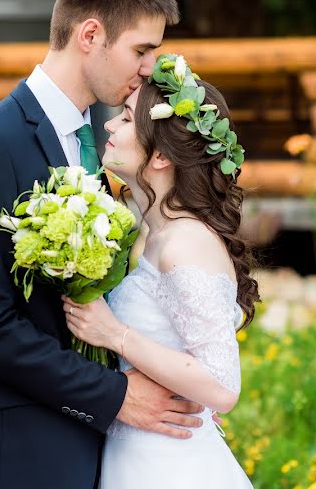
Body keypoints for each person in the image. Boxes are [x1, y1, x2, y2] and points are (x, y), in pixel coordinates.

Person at [0, 0, 205, 489]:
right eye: (141, 50)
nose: (148, 69)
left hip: (105, 450)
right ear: (90, 34)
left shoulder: (105, 146)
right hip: (26, 448)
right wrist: (113, 395)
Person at [62, 57, 260, 488]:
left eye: (127, 119)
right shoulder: (153, 234)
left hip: (173, 466)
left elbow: (223, 385)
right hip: (141, 454)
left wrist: (114, 334)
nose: (110, 128)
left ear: (163, 156)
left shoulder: (185, 242)